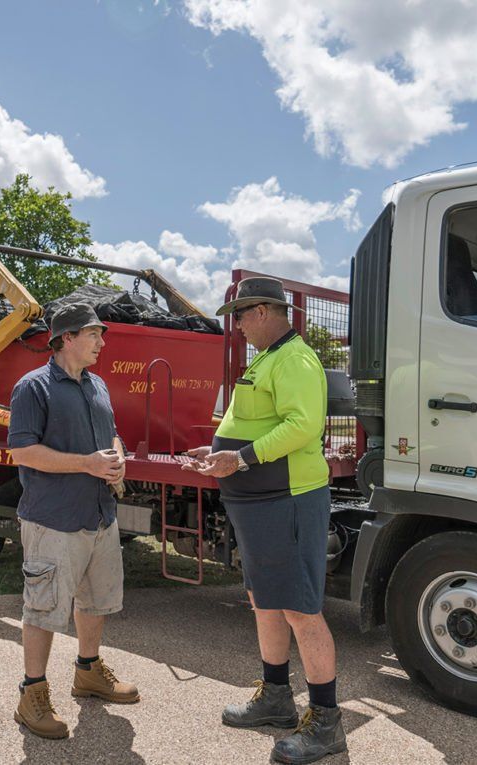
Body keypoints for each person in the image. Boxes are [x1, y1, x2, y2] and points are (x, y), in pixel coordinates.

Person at [183, 277, 346, 764]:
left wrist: (241, 458)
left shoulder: (294, 358)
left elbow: (303, 426)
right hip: (259, 504)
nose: (235, 326)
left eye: (239, 315)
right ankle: (276, 697)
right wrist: (214, 451)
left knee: (299, 607)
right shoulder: (268, 360)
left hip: (287, 500)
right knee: (265, 601)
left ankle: (326, 722)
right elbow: (250, 424)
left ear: (262, 312)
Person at [7, 302, 139, 740]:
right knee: (43, 609)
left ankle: (87, 672)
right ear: (67, 338)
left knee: (94, 601)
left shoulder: (96, 385)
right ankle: (32, 694)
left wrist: (117, 456)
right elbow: (22, 453)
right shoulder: (33, 388)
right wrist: (86, 464)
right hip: (53, 520)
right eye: (94, 334)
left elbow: (111, 435)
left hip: (99, 516)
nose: (102, 342)